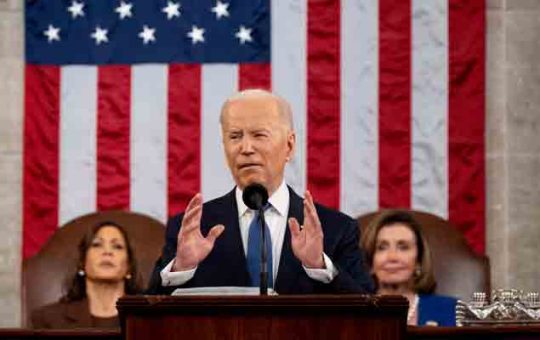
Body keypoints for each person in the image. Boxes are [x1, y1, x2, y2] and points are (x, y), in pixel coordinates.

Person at [148, 89, 373, 294]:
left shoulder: (336, 229)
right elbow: (147, 319)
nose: (246, 148)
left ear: (289, 145)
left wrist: (319, 267)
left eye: (259, 135)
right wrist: (182, 268)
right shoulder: (193, 229)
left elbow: (369, 317)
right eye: (235, 136)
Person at [31, 221, 143, 329]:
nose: (107, 252)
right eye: (97, 244)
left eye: (117, 246)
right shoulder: (47, 319)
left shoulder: (153, 319)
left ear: (129, 267)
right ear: (82, 263)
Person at [361, 210, 457, 326]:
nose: (392, 257)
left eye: (403, 247)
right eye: (382, 248)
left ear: (418, 261)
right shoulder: (351, 313)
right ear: (371, 262)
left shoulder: (452, 311)